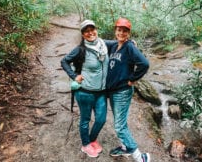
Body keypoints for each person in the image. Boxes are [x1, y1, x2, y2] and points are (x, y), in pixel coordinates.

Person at [61, 20, 109, 158]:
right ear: (83, 34)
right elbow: (64, 61)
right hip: (85, 92)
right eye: (86, 31)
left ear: (96, 30)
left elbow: (120, 44)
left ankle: (92, 139)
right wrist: (74, 76)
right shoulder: (80, 50)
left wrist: (131, 44)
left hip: (101, 92)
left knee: (101, 119)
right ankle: (86, 145)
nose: (90, 33)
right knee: (85, 120)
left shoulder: (103, 45)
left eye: (92, 29)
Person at [106, 18, 151, 162]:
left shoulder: (130, 47)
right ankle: (125, 147)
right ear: (115, 31)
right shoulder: (114, 46)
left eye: (124, 31)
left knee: (119, 126)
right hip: (113, 91)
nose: (121, 32)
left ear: (128, 33)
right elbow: (101, 42)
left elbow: (144, 64)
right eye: (119, 30)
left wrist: (133, 79)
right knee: (120, 122)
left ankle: (141, 158)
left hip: (122, 92)